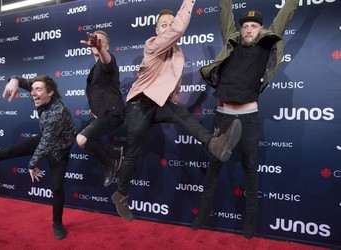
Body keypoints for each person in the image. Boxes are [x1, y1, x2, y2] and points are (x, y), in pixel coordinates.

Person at [111, 0, 242, 222]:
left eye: (171, 23)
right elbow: (178, 29)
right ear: (157, 30)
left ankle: (214, 144)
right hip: (139, 106)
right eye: (164, 25)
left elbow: (175, 78)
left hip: (159, 104)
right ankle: (120, 194)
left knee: (181, 113)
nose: (169, 27)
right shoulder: (153, 45)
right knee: (133, 153)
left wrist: (174, 97)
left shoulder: (177, 53)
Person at [191, 0, 300, 239]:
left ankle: (250, 221)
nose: (249, 29)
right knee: (214, 166)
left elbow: (287, 11)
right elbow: (224, 10)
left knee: (250, 168)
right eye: (246, 26)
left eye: (254, 25)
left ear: (261, 29)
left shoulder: (266, 44)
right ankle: (203, 212)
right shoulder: (231, 40)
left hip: (248, 116)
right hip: (223, 115)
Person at [0, 75, 75, 240]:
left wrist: (32, 165)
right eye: (32, 90)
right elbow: (25, 83)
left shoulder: (57, 112)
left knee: (57, 187)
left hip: (59, 151)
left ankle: (57, 223)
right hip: (46, 139)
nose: (33, 93)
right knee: (8, 151)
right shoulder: (43, 96)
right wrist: (14, 80)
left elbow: (45, 145)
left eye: (38, 90)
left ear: (51, 93)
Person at [77, 30, 125, 187]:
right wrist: (95, 109)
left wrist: (101, 49)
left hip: (113, 113)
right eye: (95, 41)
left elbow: (107, 60)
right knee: (79, 133)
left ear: (107, 46)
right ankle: (114, 152)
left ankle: (109, 165)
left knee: (82, 139)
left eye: (101, 42)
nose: (97, 44)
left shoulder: (109, 62)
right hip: (102, 114)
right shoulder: (95, 68)